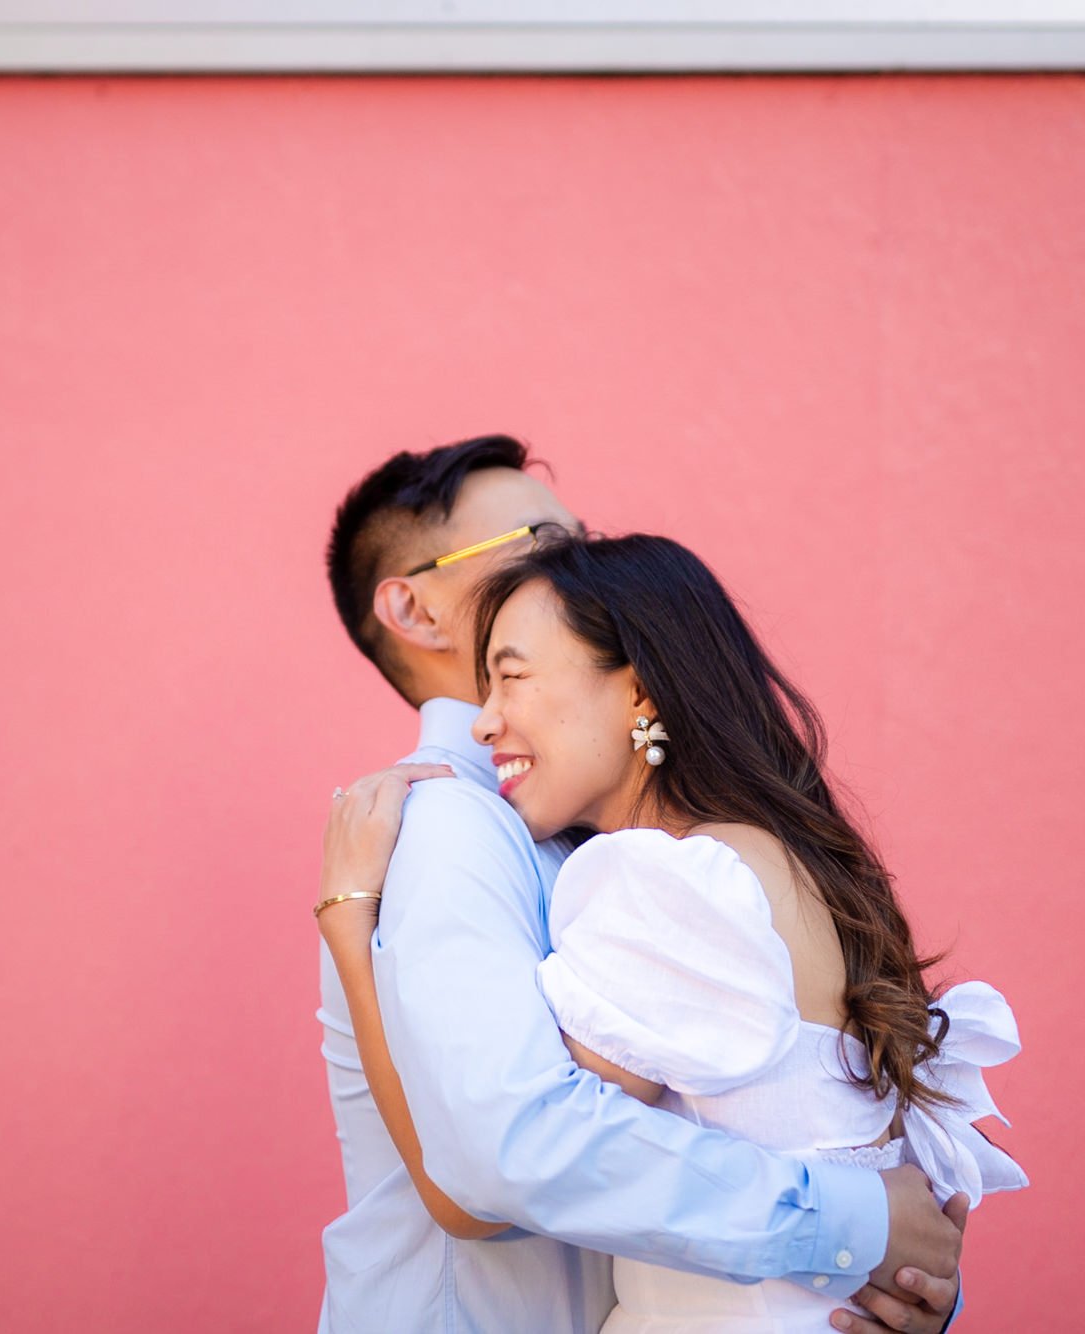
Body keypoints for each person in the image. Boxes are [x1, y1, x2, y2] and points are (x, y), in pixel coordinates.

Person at [315, 436, 982, 1334]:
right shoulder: (446, 821)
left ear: (635, 692)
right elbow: (503, 1162)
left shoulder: (665, 864)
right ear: (415, 607)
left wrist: (895, 1265)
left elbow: (499, 1167)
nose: (574, 557)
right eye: (541, 535)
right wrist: (869, 1237)